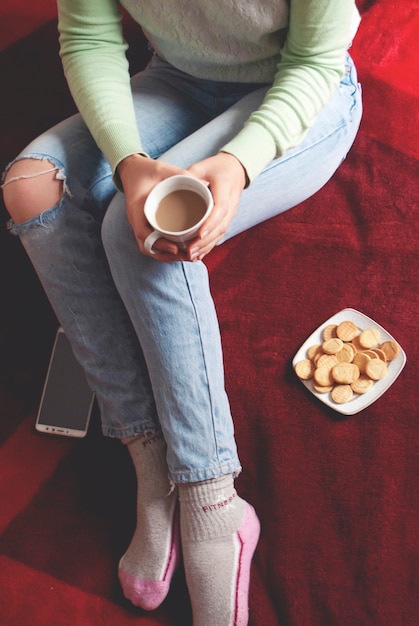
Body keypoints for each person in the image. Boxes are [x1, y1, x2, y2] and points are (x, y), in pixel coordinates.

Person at [1, 1, 362, 624]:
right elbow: (89, 37)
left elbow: (315, 58)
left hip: (304, 87)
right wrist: (128, 161)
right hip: (176, 79)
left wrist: (242, 160)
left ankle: (212, 499)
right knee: (31, 184)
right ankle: (151, 463)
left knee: (134, 234)